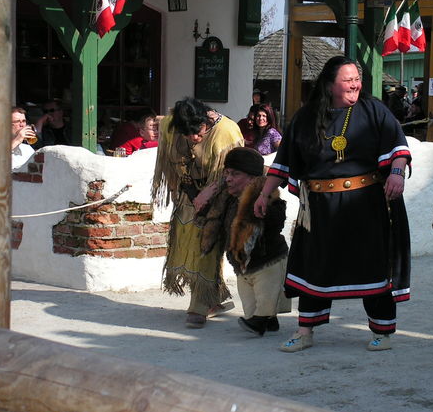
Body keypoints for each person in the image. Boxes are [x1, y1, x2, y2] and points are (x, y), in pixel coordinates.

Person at [253, 56, 412, 352]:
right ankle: (305, 331)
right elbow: (283, 162)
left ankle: (383, 330)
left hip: (364, 204)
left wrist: (396, 173)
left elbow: (397, 147)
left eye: (357, 79)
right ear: (329, 84)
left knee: (371, 265)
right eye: (347, 79)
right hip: (320, 209)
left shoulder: (373, 109)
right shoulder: (306, 117)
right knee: (315, 266)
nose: (355, 84)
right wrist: (264, 195)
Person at [152, 97, 244, 328]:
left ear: (207, 119)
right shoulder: (172, 126)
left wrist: (208, 194)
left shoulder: (227, 132)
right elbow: (173, 158)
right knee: (188, 244)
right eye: (187, 133)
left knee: (206, 245)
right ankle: (214, 298)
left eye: (198, 131)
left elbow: (232, 172)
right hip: (187, 194)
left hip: (220, 194)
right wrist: (190, 192)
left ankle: (200, 305)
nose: (194, 137)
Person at [201, 147, 288, 336]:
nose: (228, 178)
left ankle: (261, 321)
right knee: (249, 303)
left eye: (235, 174)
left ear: (252, 178)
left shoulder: (266, 198)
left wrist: (266, 212)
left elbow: (278, 220)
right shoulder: (227, 199)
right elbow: (214, 221)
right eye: (227, 173)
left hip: (268, 259)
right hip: (242, 262)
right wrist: (203, 201)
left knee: (266, 295)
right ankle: (268, 320)